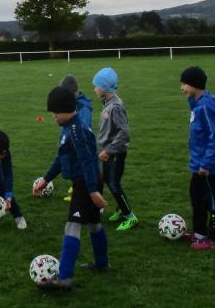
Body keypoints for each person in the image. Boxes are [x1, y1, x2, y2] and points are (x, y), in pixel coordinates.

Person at [33, 87, 108, 291]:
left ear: (66, 110)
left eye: (56, 113)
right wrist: (46, 179)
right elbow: (61, 159)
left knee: (72, 226)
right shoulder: (67, 129)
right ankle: (102, 263)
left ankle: (64, 278)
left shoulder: (77, 131)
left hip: (86, 183)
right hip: (86, 182)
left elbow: (87, 162)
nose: (54, 117)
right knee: (93, 224)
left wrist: (92, 191)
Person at [180, 66, 215, 250]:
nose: (182, 88)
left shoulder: (206, 107)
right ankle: (199, 234)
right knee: (197, 198)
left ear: (194, 84)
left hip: (208, 168)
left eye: (184, 84)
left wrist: (206, 164)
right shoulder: (198, 104)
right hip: (197, 165)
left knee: (214, 202)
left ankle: (214, 238)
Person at [92, 67, 137, 231]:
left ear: (104, 87)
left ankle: (130, 216)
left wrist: (109, 150)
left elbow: (124, 132)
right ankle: (120, 210)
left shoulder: (115, 107)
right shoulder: (109, 104)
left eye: (96, 86)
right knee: (111, 182)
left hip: (114, 154)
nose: (95, 89)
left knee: (114, 184)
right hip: (108, 153)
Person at [59, 74, 92, 203]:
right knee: (74, 170)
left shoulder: (82, 108)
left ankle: (89, 198)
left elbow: (83, 129)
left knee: (82, 172)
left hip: (79, 147)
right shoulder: (73, 103)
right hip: (71, 146)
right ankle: (77, 191)